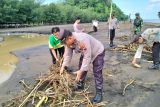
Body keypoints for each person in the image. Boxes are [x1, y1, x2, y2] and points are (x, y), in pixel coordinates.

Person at [58, 30, 105, 104]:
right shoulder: (68, 43)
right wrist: (63, 66)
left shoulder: (82, 39)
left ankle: (99, 93)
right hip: (86, 52)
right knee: (81, 67)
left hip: (97, 51)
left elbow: (87, 57)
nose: (65, 45)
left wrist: (80, 72)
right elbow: (67, 55)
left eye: (64, 43)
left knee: (97, 72)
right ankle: (81, 84)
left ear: (69, 38)